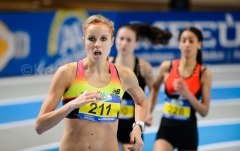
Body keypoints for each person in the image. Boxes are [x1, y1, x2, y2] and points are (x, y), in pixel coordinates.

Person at [35, 15, 148, 151]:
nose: (97, 44)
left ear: (111, 41)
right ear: (84, 41)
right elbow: (40, 126)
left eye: (103, 39)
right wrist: (72, 104)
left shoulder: (124, 75)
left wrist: (138, 127)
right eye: (91, 39)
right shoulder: (67, 73)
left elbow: (141, 100)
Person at [146, 27, 212, 151]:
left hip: (188, 132)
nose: (187, 44)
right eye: (183, 40)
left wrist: (187, 93)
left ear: (199, 44)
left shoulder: (204, 73)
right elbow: (154, 88)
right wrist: (148, 112)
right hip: (166, 129)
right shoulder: (167, 66)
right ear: (179, 44)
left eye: (191, 41)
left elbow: (204, 111)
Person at [109, 23, 172, 151]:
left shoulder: (143, 67)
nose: (124, 43)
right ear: (115, 40)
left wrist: (148, 113)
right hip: (110, 122)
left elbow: (154, 89)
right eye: (121, 39)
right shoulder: (107, 64)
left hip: (133, 125)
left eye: (128, 40)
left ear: (136, 43)